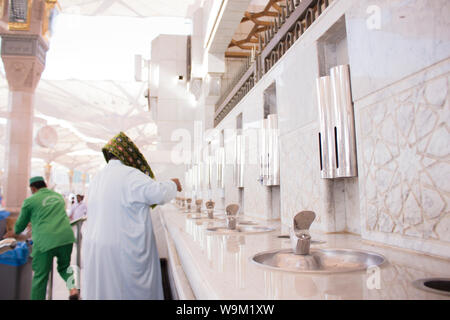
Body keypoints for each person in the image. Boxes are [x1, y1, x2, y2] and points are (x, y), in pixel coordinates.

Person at [82, 132, 182, 300]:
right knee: (126, 291)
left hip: (97, 248)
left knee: (106, 292)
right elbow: (158, 193)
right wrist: (173, 184)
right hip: (123, 249)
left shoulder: (97, 178)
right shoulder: (130, 174)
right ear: (129, 155)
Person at [4, 176, 79, 300]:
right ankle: (73, 289)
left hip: (45, 241)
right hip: (66, 237)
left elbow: (21, 224)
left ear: (33, 188)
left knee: (40, 277)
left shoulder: (30, 201)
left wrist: (12, 233)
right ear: (44, 185)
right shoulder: (58, 197)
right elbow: (49, 214)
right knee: (65, 267)